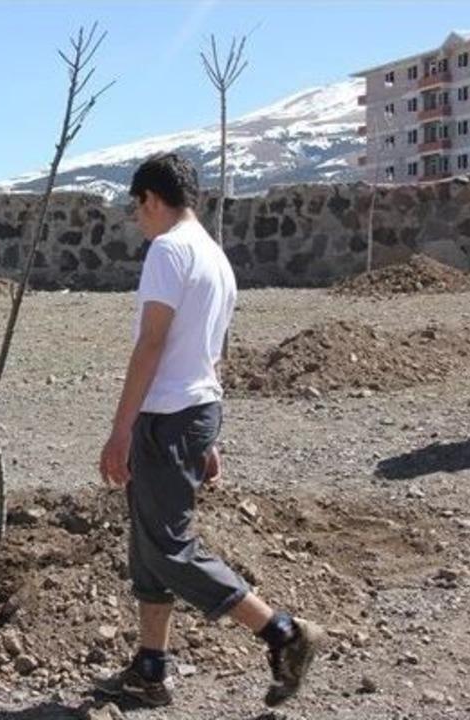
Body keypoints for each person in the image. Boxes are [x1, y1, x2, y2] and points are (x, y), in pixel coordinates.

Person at [94, 153, 324, 707]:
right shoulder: (216, 256)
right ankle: (152, 668)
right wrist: (209, 433)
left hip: (167, 418)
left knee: (170, 549)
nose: (137, 220)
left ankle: (283, 633)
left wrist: (120, 430)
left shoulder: (169, 251)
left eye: (137, 208)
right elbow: (212, 352)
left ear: (151, 199)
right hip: (194, 411)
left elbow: (152, 344)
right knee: (148, 547)